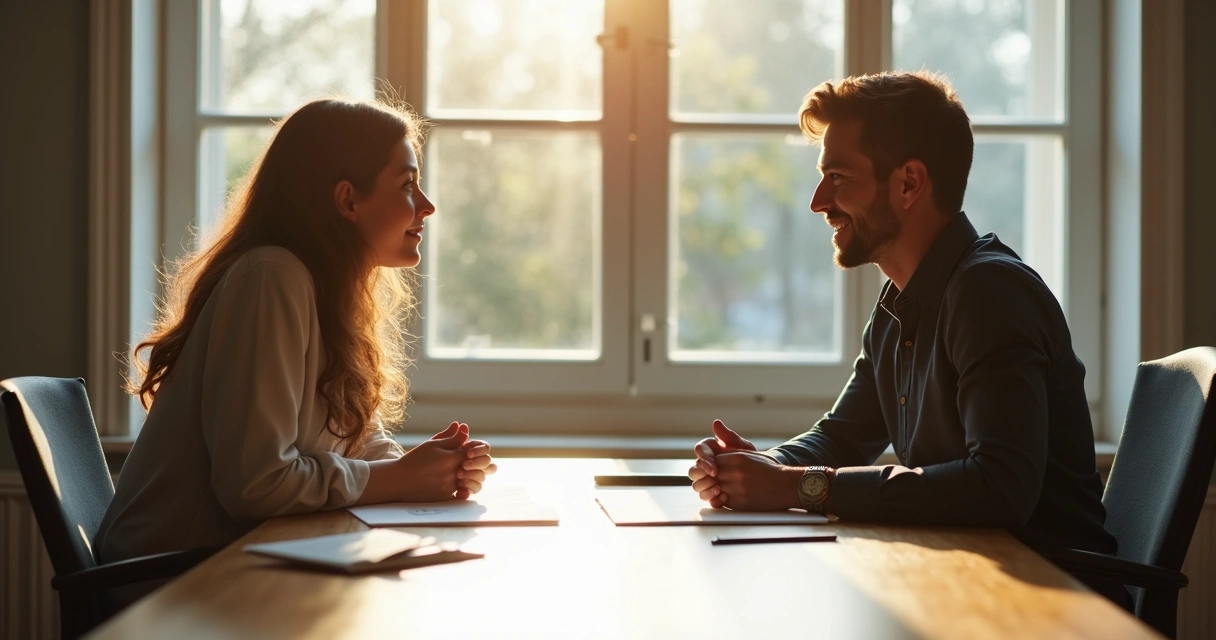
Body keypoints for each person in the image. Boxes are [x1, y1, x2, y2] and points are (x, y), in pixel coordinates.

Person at [687, 72, 1128, 607]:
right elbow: (841, 437)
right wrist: (760, 470)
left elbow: (999, 487)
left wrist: (798, 486)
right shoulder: (900, 302)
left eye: (838, 176)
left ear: (908, 183)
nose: (817, 201)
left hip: (1050, 605)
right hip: (967, 586)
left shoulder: (990, 293)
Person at [96, 98, 496, 571]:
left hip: (231, 561)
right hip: (172, 580)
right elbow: (256, 485)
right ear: (348, 200)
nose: (427, 206)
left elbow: (347, 438)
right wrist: (401, 478)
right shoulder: (272, 277)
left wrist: (432, 467)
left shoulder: (319, 288)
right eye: (408, 183)